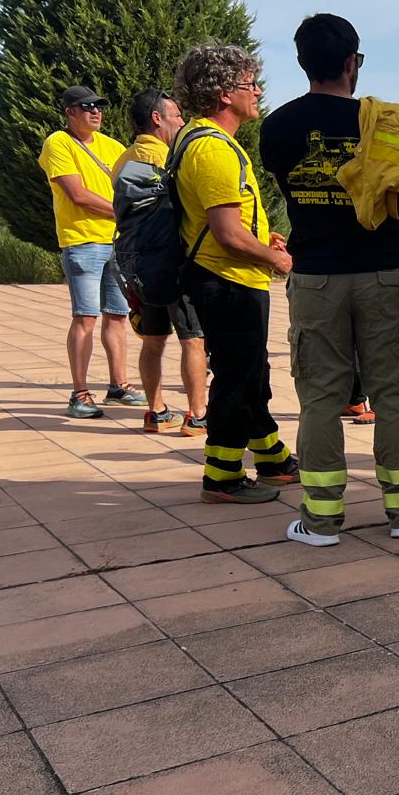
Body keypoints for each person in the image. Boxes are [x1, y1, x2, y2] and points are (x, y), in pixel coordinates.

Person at [260, 13, 399, 544]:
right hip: (383, 272)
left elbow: (291, 191)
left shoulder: (278, 126)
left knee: (319, 399)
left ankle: (320, 520)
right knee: (393, 398)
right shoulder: (383, 121)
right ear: (352, 62)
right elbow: (394, 190)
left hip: (315, 277)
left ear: (300, 62)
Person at [170, 43, 299, 503]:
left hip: (229, 277)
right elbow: (226, 232)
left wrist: (266, 241)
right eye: (250, 84)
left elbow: (227, 222)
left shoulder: (206, 141)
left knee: (250, 373)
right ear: (224, 93)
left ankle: (273, 458)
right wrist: (275, 259)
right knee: (237, 378)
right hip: (227, 280)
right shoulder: (213, 149)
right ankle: (222, 476)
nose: (258, 91)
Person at [38, 84, 144, 418]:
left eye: (98, 106)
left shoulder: (113, 146)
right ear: (70, 112)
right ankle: (80, 393)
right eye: (86, 107)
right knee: (85, 316)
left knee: (117, 316)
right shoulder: (58, 143)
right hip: (82, 240)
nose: (95, 111)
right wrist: (124, 211)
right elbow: (77, 194)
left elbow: (135, 186)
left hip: (116, 241)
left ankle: (119, 386)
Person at [111, 88, 208, 436]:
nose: (182, 121)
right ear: (157, 119)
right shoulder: (167, 158)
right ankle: (198, 415)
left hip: (138, 262)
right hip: (174, 262)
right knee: (193, 340)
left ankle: (156, 412)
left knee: (153, 341)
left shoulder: (124, 160)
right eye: (177, 115)